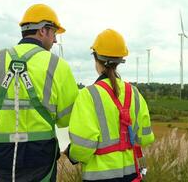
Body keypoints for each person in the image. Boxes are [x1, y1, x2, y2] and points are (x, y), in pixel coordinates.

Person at [0, 4, 79, 182]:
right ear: (43, 30)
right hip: (40, 156)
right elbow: (68, 118)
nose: (55, 40)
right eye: (54, 33)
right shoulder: (58, 65)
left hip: (1, 155)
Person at [66, 29, 155, 181]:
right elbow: (145, 138)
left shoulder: (88, 95)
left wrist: (71, 154)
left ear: (96, 58)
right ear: (120, 60)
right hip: (131, 175)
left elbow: (83, 147)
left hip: (99, 177)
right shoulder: (134, 93)